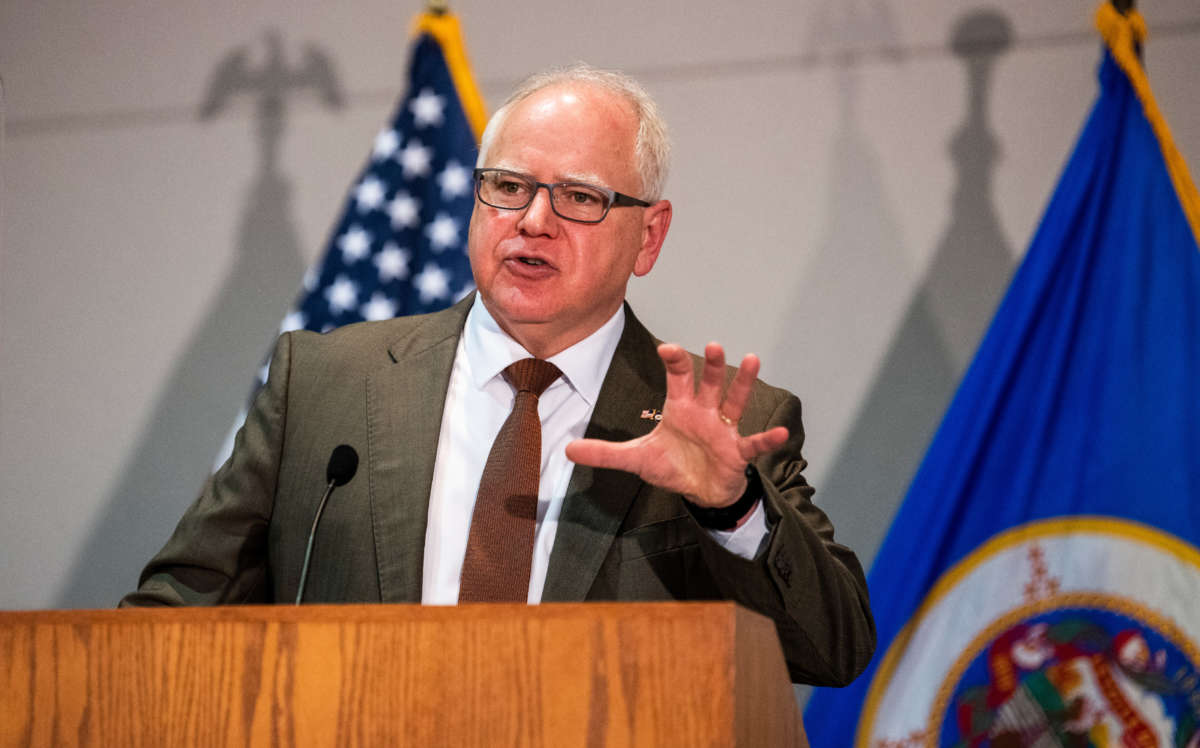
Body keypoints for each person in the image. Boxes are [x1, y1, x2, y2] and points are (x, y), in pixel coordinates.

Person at [122, 64, 875, 687]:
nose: (533, 220)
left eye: (580, 197)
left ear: (650, 235)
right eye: (509, 186)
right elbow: (175, 614)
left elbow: (832, 650)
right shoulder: (323, 383)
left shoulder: (720, 426)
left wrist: (731, 506)